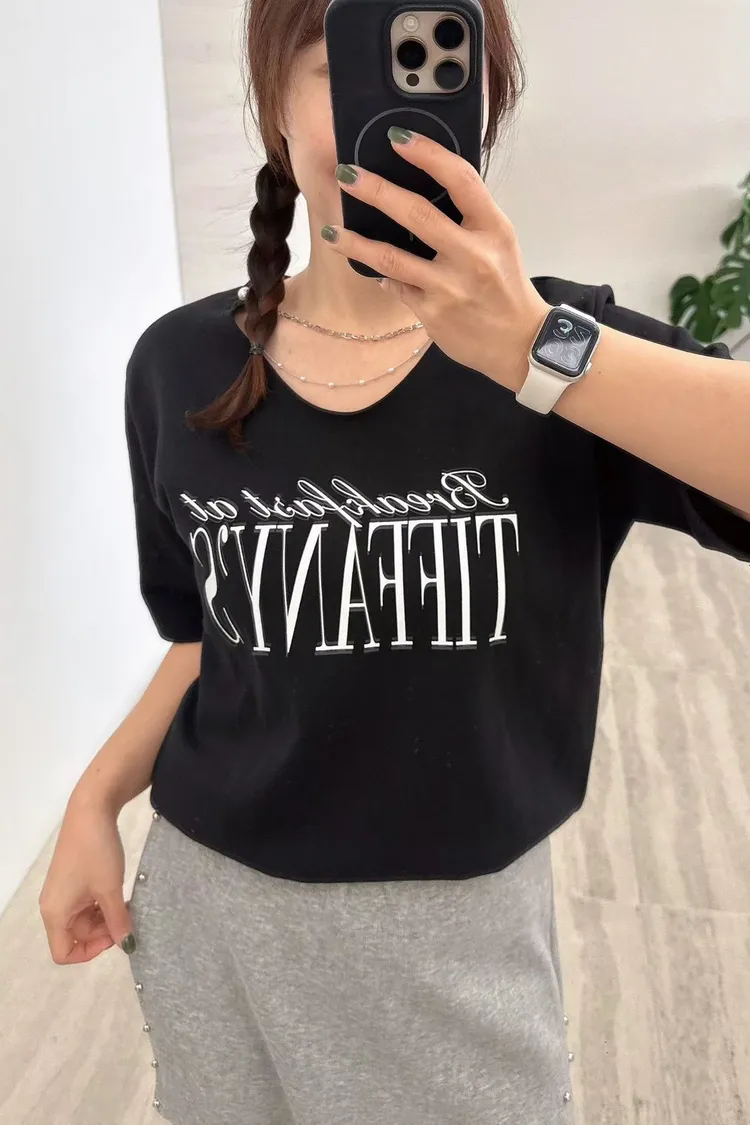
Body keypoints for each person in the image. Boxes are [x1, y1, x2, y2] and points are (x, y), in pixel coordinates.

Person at [38, 1, 750, 1123]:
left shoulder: (570, 354)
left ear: (484, 101)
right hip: (213, 911)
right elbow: (211, 641)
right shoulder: (177, 365)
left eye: (432, 60)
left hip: (453, 944)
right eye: (341, 65)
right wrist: (94, 797)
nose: (394, 104)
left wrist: (536, 350)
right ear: (273, 106)